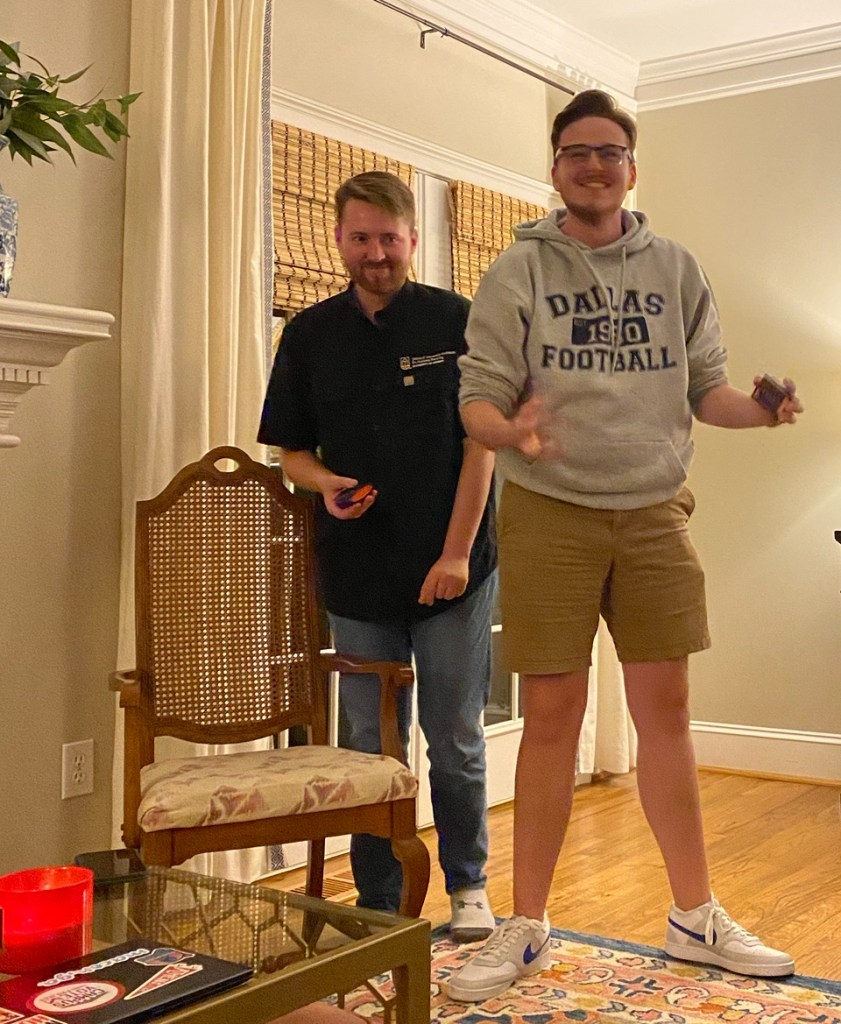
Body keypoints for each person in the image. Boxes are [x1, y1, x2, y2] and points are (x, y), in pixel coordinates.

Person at [446, 89, 804, 1002]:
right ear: (556, 167)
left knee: (667, 717)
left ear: (631, 168)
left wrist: (759, 414)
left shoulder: (676, 268)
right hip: (549, 513)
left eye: (609, 151)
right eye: (576, 152)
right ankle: (525, 924)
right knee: (553, 717)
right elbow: (476, 400)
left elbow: (707, 392)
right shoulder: (515, 271)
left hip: (652, 512)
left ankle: (694, 917)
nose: (593, 165)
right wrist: (511, 431)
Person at [258, 170, 498, 942]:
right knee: (367, 744)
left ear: (412, 240)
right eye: (360, 238)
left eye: (389, 239)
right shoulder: (308, 335)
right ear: (338, 239)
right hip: (359, 576)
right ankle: (378, 901)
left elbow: (481, 451)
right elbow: (292, 453)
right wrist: (325, 484)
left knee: (454, 741)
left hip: (453, 570)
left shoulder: (458, 322)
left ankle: (467, 886)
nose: (375, 254)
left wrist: (456, 554)